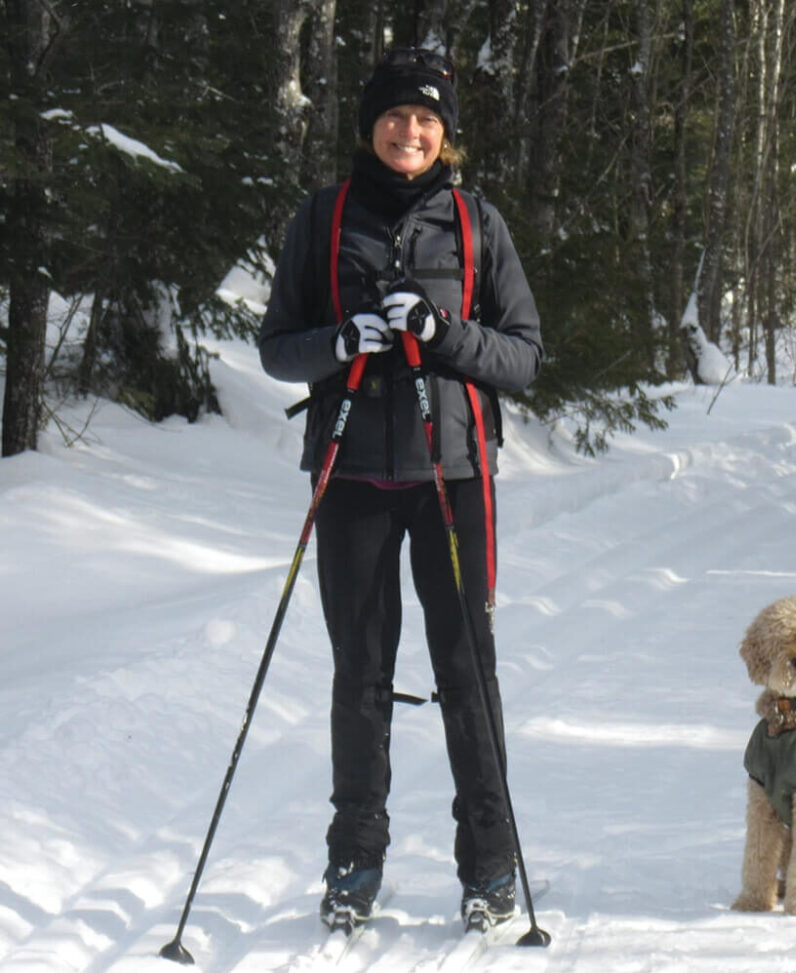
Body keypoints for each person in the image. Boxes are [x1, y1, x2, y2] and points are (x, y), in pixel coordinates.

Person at [258, 47, 543, 933]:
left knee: (467, 670)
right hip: (351, 475)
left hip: (454, 475)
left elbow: (524, 355)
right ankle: (354, 859)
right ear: (369, 126)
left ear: (445, 135)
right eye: (394, 116)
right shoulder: (323, 215)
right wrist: (345, 340)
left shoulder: (473, 220)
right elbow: (278, 347)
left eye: (425, 119)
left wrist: (441, 331)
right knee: (361, 672)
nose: (409, 131)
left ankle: (490, 862)